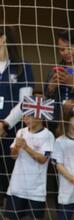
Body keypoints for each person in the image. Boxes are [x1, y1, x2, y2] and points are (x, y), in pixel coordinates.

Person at [2, 96, 55, 220]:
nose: (26, 118)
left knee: (37, 219)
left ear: (39, 116)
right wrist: (17, 146)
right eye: (25, 116)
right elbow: (13, 155)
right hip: (18, 184)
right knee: (12, 217)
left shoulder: (48, 136)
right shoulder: (20, 132)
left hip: (36, 186)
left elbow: (43, 159)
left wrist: (26, 147)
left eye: (30, 115)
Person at [0, 26, 34, 198]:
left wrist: (5, 124)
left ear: (4, 39)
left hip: (12, 133)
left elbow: (25, 102)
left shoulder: (22, 67)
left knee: (8, 180)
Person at [44, 30, 74, 136]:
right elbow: (46, 100)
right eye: (62, 49)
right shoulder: (53, 71)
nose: (66, 52)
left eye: (70, 48)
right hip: (56, 124)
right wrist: (50, 89)